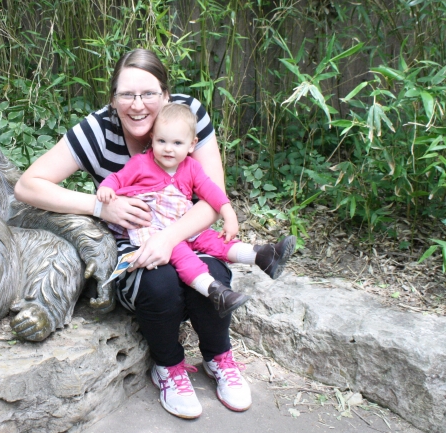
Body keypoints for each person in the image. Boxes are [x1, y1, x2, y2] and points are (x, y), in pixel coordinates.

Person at [15, 48, 292, 419]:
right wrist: (100, 207)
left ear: (166, 95)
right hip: (136, 242)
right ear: (112, 99)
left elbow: (211, 197)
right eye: (126, 95)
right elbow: (28, 185)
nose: (137, 105)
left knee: (215, 276)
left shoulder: (185, 117)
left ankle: (218, 356)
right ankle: (169, 366)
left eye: (148, 94)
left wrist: (170, 237)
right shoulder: (98, 130)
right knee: (160, 284)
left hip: (188, 233)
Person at [96, 103, 297, 318]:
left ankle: (263, 256)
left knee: (213, 239)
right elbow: (118, 178)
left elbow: (211, 191)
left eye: (177, 143)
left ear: (192, 145)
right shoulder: (141, 164)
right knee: (182, 254)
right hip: (153, 228)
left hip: (183, 223)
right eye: (161, 141)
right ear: (152, 139)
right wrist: (107, 188)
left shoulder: (191, 167)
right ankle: (214, 290)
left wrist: (228, 212)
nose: (168, 148)